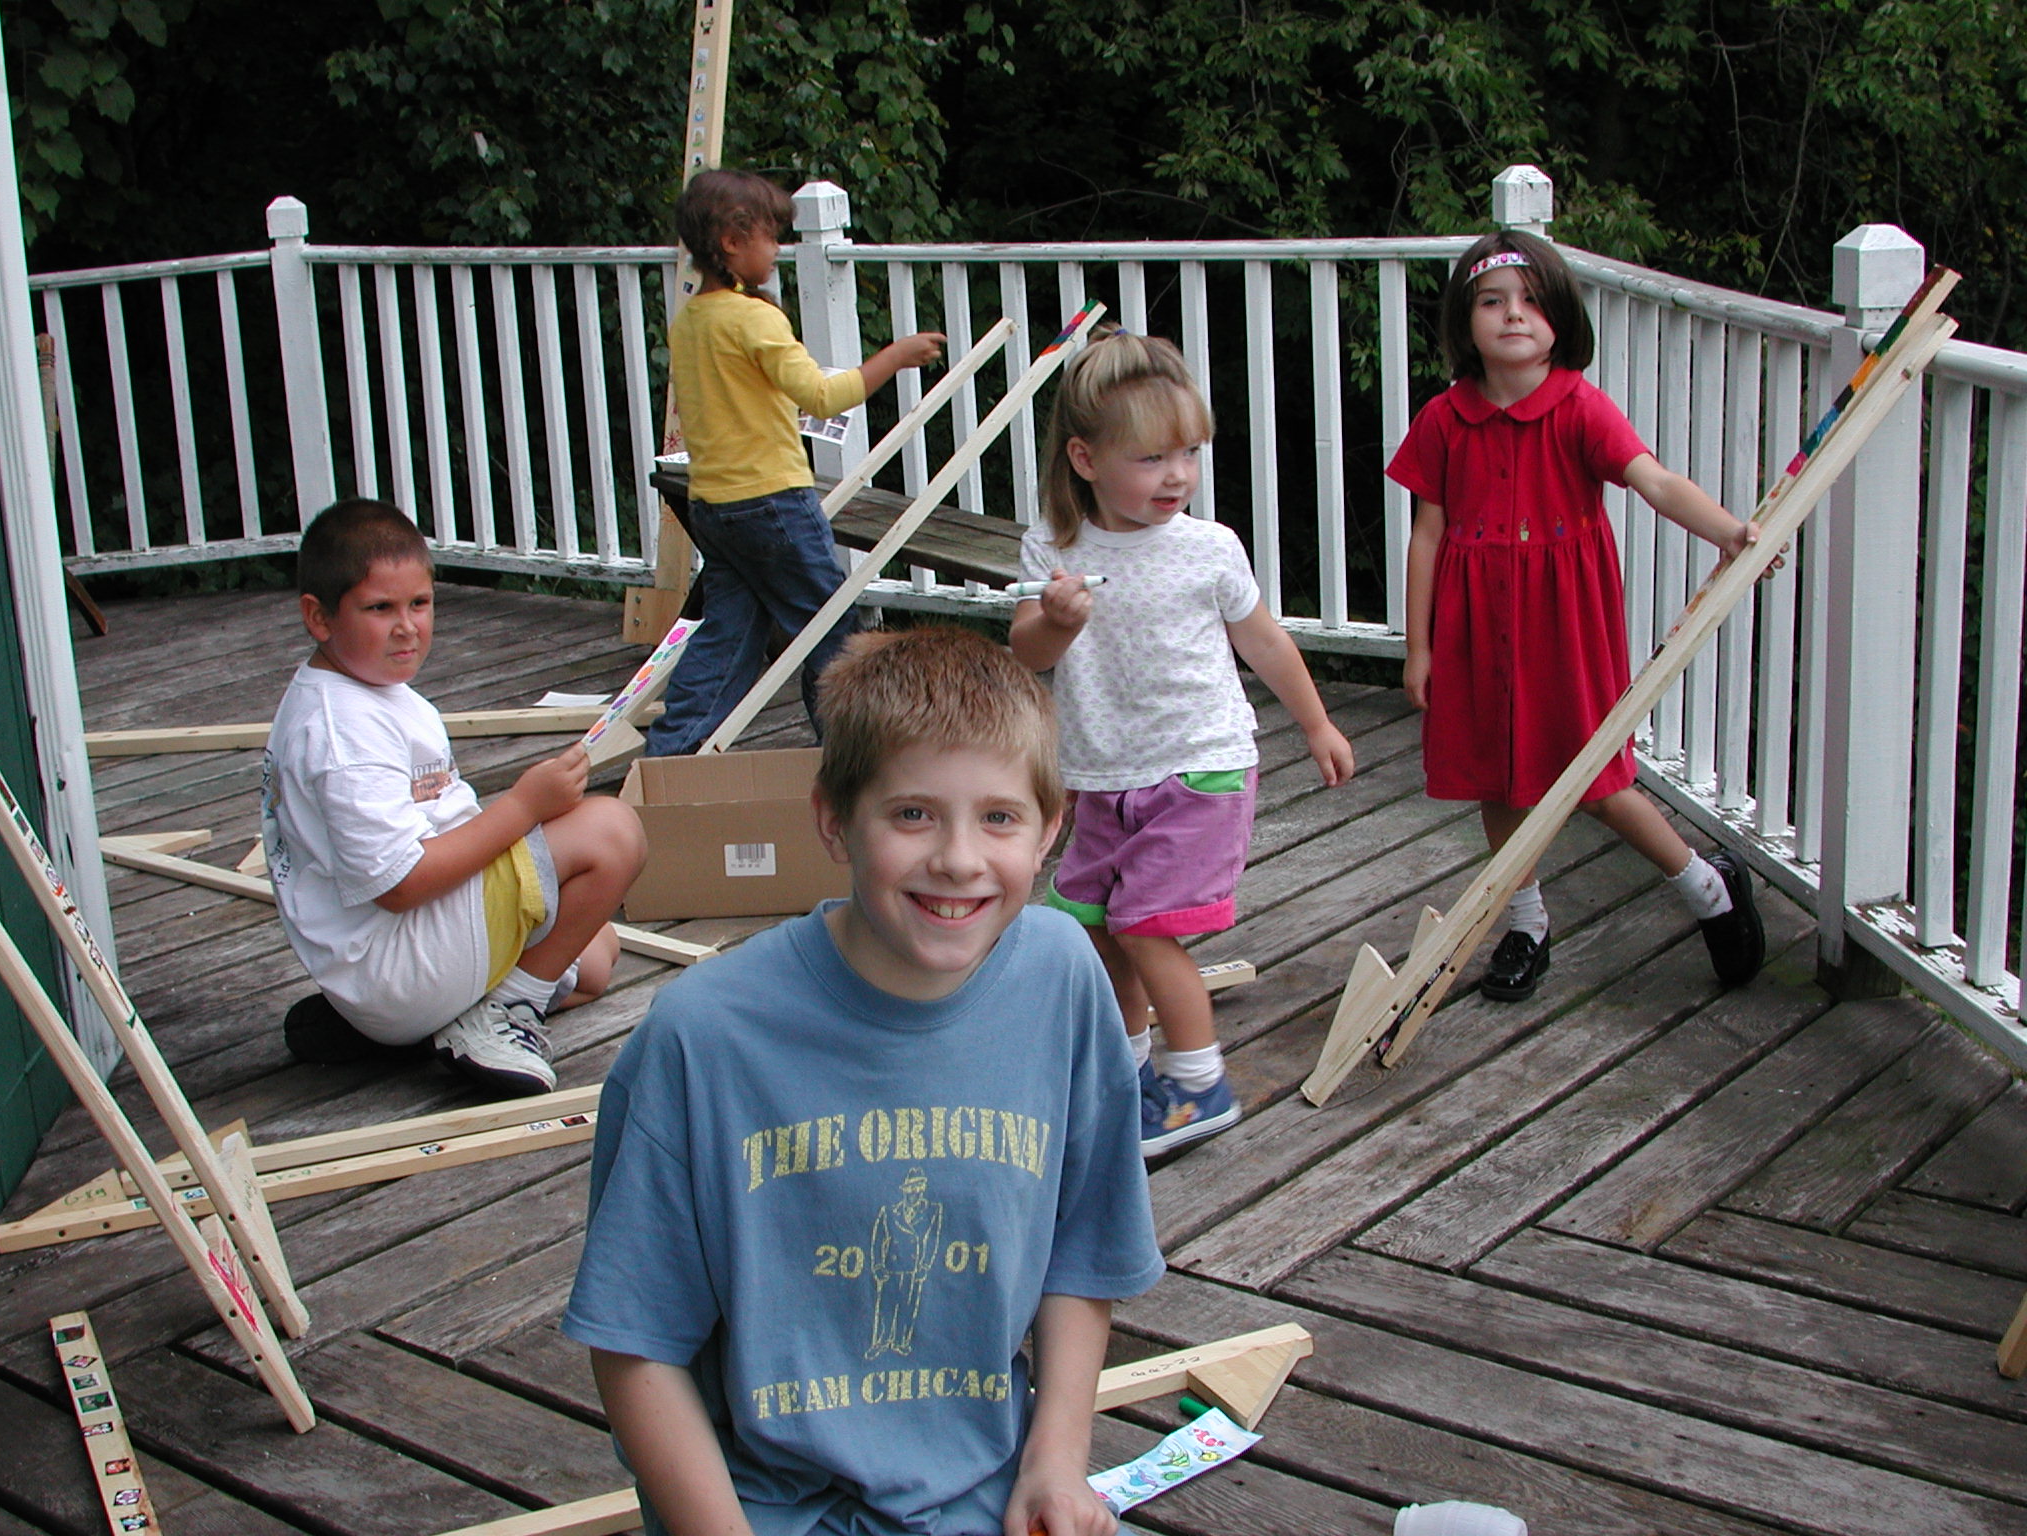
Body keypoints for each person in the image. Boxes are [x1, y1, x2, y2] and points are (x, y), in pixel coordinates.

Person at [568, 625, 1162, 1536]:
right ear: (834, 819)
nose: (958, 858)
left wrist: (1055, 1464)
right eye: (913, 814)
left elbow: (1085, 1250)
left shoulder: (1063, 981)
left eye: (999, 818)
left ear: (1052, 828)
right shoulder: (703, 1037)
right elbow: (635, 1344)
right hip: (763, 1507)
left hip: (986, 1491)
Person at [1389, 229, 1768, 1003]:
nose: (1513, 315)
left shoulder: (1580, 409)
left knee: (1597, 777)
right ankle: (1525, 923)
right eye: (1492, 302)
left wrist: (1730, 532)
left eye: (1532, 301)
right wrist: (1418, 647)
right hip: (1472, 628)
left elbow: (1655, 482)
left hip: (1563, 627)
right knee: (1495, 775)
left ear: (1560, 317)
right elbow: (1427, 535)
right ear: (1464, 321)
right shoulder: (1443, 420)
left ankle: (1706, 887)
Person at [1009, 331, 1356, 1157]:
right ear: (1086, 459)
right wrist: (1056, 621)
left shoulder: (1209, 547)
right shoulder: (1054, 549)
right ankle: (1126, 1071)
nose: (1177, 476)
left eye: (1190, 453)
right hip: (1100, 774)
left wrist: (1316, 723)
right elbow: (1028, 654)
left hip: (1199, 766)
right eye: (1151, 458)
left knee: (1143, 925)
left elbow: (1263, 640)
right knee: (1094, 926)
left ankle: (1199, 1085)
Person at [263, 498, 646, 1095]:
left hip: (404, 958)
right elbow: (400, 885)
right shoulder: (341, 735)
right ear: (319, 617)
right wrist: (524, 807)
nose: (406, 626)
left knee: (597, 956)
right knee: (613, 831)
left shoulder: (377, 691)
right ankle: (492, 1017)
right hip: (397, 959)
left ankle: (415, 1029)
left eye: (419, 603)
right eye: (380, 608)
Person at [644, 167, 946, 756]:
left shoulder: (690, 321)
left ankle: (671, 755)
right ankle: (853, 755)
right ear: (731, 242)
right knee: (831, 631)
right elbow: (823, 397)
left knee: (727, 636)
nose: (777, 249)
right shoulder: (754, 318)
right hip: (773, 505)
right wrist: (895, 357)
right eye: (770, 237)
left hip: (714, 507)